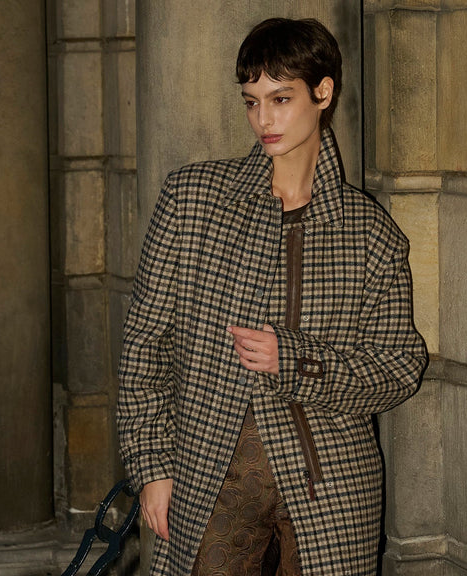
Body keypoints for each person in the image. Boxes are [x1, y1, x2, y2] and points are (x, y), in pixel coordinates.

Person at [117, 17, 428, 575]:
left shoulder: (369, 232)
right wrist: (152, 466)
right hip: (213, 474)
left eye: (281, 99)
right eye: (252, 101)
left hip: (331, 486)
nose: (264, 119)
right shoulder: (193, 201)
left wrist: (297, 360)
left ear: (323, 92)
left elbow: (400, 368)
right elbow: (144, 345)